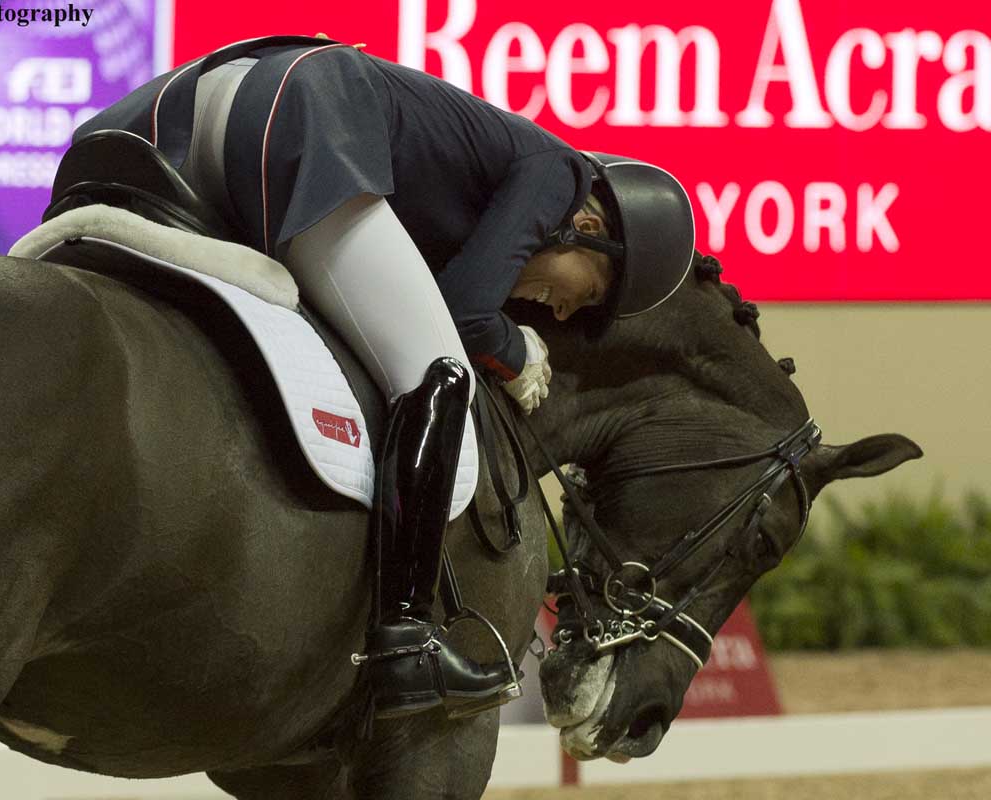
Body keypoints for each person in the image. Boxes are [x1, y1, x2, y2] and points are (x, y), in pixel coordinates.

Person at [70, 34, 695, 719]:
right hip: (306, 116)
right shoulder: (559, 175)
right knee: (441, 371)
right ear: (585, 224)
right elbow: (465, 308)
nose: (565, 307)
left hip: (177, 114)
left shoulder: (473, 180)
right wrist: (516, 353)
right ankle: (404, 639)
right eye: (589, 290)